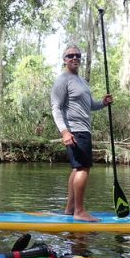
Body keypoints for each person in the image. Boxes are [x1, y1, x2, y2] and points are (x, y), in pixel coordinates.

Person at [50, 45, 112, 222]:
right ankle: (79, 211)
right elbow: (56, 107)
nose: (74, 58)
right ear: (64, 59)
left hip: (84, 130)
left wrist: (103, 103)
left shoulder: (83, 82)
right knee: (83, 169)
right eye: (70, 56)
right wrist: (64, 131)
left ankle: (70, 209)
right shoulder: (63, 80)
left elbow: (90, 105)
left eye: (77, 55)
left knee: (78, 168)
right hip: (74, 131)